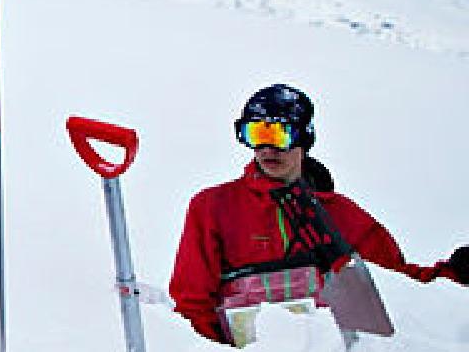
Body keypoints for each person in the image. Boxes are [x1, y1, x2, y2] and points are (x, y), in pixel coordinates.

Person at [169, 84, 467, 343]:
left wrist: (453, 274)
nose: (266, 148)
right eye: (256, 133)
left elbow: (394, 286)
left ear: (303, 137)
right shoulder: (214, 208)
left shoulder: (342, 216)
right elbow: (191, 305)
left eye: (278, 133)